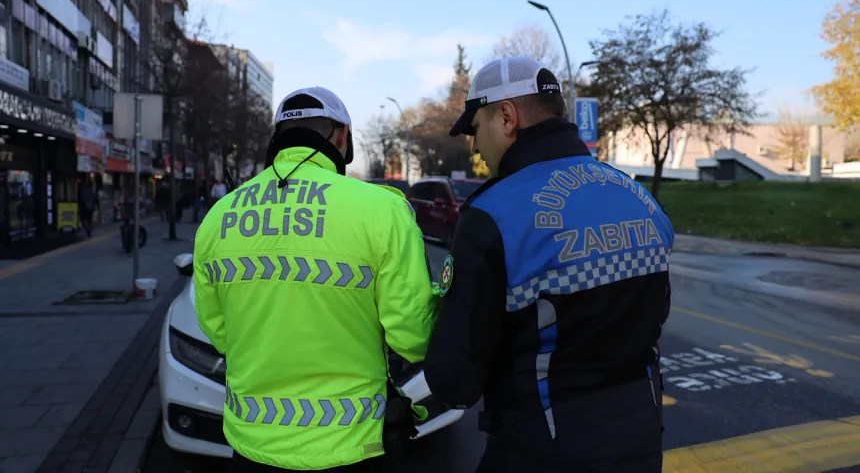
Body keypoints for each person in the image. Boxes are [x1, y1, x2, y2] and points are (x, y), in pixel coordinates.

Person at [423, 56, 674, 472]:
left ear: (506, 116)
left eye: (475, 129)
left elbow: (455, 381)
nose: (476, 147)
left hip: (541, 449)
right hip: (641, 441)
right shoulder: (639, 198)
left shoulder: (493, 215)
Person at [193, 86, 439, 472]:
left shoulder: (218, 216)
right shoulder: (382, 211)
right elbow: (414, 337)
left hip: (253, 444)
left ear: (276, 140)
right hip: (352, 445)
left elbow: (217, 329)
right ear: (343, 137)